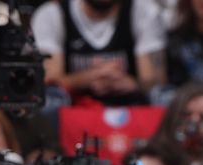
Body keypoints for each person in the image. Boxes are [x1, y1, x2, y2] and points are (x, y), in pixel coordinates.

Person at [34, 0, 167, 105]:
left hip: (132, 108)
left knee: (164, 96)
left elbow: (157, 80)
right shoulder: (52, 14)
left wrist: (133, 84)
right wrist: (89, 78)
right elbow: (48, 80)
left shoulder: (144, 11)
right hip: (74, 109)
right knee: (50, 99)